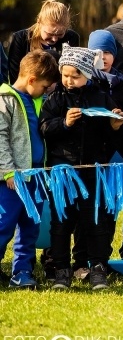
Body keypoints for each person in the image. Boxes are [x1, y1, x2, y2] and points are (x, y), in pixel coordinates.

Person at [40, 45, 123, 290]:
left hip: (92, 169)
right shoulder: (54, 98)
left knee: (95, 220)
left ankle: (97, 268)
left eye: (75, 76)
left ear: (88, 74)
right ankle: (61, 271)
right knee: (61, 222)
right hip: (63, 171)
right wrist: (64, 123)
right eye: (65, 75)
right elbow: (45, 128)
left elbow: (112, 135)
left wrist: (115, 125)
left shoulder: (100, 96)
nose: (68, 80)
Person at [0, 51, 59, 289]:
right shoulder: (6, 99)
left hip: (36, 176)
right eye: (45, 87)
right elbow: (0, 138)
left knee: (30, 226)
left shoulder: (37, 100)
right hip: (12, 180)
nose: (46, 92)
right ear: (32, 79)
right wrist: (9, 171)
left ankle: (22, 272)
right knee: (4, 224)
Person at [7, 0, 80, 83]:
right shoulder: (20, 38)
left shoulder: (71, 38)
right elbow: (15, 77)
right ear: (39, 22)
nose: (54, 39)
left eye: (60, 34)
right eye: (50, 34)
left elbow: (73, 72)